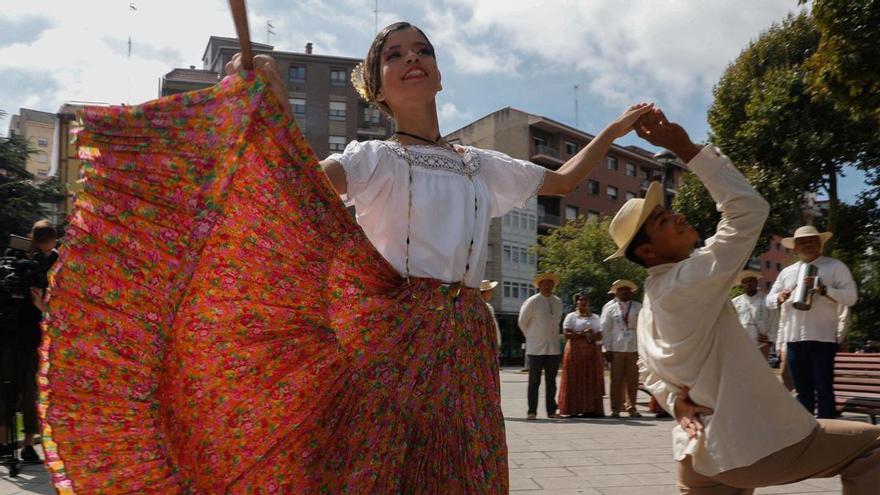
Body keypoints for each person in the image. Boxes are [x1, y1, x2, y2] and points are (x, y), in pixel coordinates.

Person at [40, 21, 657, 493]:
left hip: (466, 334)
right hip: (387, 332)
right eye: (394, 55)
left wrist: (615, 126)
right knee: (374, 463)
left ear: (439, 75)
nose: (411, 58)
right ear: (378, 86)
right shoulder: (372, 158)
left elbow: (565, 178)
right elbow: (292, 186)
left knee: (467, 463)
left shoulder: (480, 164)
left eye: (422, 50)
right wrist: (265, 104)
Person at [607, 107, 880, 494]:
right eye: (665, 221)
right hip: (751, 445)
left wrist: (675, 403)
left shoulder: (653, 298)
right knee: (873, 446)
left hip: (698, 452)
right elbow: (749, 210)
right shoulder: (688, 279)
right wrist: (684, 147)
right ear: (649, 251)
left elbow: (647, 366)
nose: (679, 216)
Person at [767, 225, 858, 419]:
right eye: (803, 241)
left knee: (823, 387)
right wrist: (780, 297)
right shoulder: (787, 272)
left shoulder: (835, 267)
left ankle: (827, 429)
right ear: (795, 247)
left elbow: (851, 298)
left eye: (812, 240)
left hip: (822, 337)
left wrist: (825, 291)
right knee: (802, 389)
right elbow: (769, 300)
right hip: (794, 339)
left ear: (820, 244)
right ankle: (808, 432)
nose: (808, 244)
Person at [0, 220, 57, 464]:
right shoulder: (27, 262)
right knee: (26, 392)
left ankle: (7, 444)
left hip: (15, 337)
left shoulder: (15, 261)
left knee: (10, 393)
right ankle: (24, 447)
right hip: (25, 337)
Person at [519, 273, 565, 420]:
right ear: (539, 286)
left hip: (553, 347)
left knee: (551, 382)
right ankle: (531, 411)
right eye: (544, 284)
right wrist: (532, 337)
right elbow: (522, 322)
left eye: (550, 284)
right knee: (534, 381)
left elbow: (557, 321)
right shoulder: (532, 301)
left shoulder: (557, 301)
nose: (547, 286)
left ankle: (551, 411)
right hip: (536, 347)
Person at [558, 290, 605, 418]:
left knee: (589, 379)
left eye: (585, 300)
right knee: (574, 378)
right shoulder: (571, 317)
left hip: (591, 353)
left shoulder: (595, 317)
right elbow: (566, 334)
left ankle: (589, 409)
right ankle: (573, 408)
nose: (583, 302)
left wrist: (591, 334)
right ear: (576, 303)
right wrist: (582, 334)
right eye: (580, 300)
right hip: (575, 352)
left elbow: (600, 335)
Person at [600, 279, 642, 418]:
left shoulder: (638, 307)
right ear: (616, 293)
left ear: (631, 292)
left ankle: (632, 406)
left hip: (634, 348)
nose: (624, 292)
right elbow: (606, 329)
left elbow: (644, 327)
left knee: (633, 380)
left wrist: (643, 348)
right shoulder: (610, 308)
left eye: (627, 290)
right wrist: (607, 349)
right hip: (616, 348)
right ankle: (615, 408)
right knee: (616, 380)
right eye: (621, 290)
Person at [731, 270, 773, 360]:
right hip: (741, 343)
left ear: (756, 282)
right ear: (742, 284)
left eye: (751, 281)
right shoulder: (735, 302)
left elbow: (774, 319)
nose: (748, 284)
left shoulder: (767, 299)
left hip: (762, 344)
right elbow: (731, 323)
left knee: (761, 371)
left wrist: (771, 337)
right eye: (745, 282)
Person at [480, 279, 501, 351]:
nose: (492, 293)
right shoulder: (482, 307)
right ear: (484, 293)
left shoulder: (488, 307)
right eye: (490, 290)